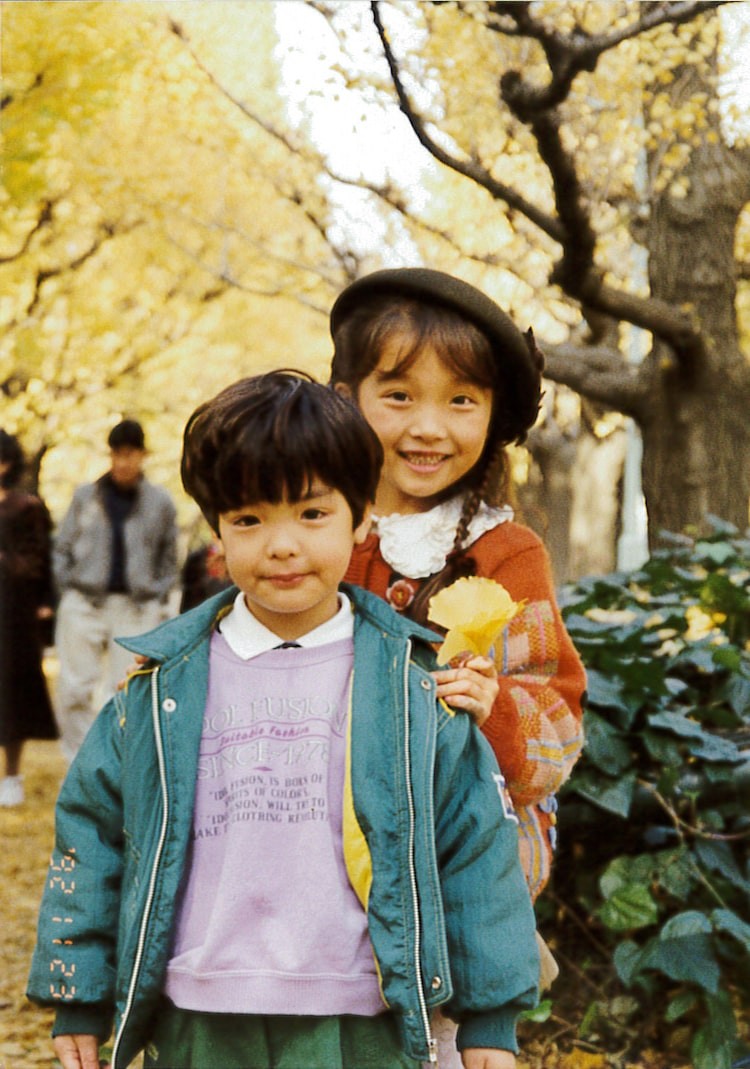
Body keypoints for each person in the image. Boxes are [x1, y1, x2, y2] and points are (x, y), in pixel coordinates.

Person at [28, 371, 539, 1069]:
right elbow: (91, 834)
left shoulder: (413, 688)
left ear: (363, 518)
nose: (281, 543)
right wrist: (79, 994)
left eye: (311, 513)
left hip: (358, 1015)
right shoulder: (159, 691)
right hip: (197, 1013)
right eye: (248, 519)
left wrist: (490, 1020)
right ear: (217, 534)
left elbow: (475, 843)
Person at [329, 271, 586, 1064]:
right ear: (346, 395)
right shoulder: (318, 531)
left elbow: (557, 730)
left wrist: (494, 703)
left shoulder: (504, 554)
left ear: (494, 416)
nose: (428, 427)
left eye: (460, 400)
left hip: (449, 865)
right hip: (316, 845)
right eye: (398, 395)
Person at [52, 419, 178, 763]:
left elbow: (169, 558)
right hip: (84, 600)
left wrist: (158, 593)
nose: (123, 462)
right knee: (75, 687)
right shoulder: (85, 496)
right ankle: (79, 763)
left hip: (136, 607)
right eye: (117, 454)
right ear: (109, 455)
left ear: (143, 455)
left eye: (130, 454)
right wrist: (67, 590)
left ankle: (118, 766)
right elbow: (61, 547)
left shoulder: (160, 502)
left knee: (127, 689)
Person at [0, 430, 58, 807]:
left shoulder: (27, 508)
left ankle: (11, 775)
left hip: (12, 616)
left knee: (13, 696)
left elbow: (38, 561)